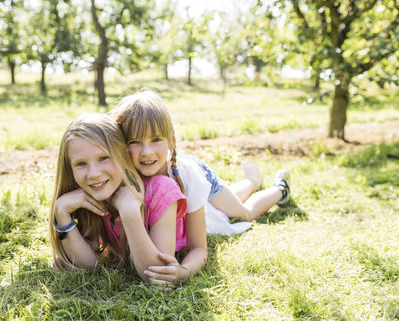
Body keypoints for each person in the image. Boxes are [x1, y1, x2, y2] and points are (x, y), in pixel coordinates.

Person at [111, 90, 290, 284]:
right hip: (185, 187)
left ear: (170, 139)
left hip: (203, 178)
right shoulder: (118, 173)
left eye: (156, 140)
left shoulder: (189, 177)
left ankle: (274, 186)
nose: (146, 152)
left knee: (243, 212)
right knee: (220, 208)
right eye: (135, 142)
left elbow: (199, 247)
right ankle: (251, 179)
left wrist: (185, 271)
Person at [49, 113, 192, 284]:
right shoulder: (91, 195)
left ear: (123, 155)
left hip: (193, 206)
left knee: (226, 207)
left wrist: (130, 212)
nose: (94, 174)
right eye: (81, 164)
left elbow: (156, 275)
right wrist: (62, 213)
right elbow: (88, 264)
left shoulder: (162, 190)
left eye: (103, 158)